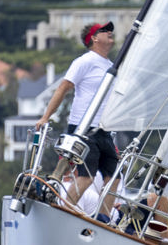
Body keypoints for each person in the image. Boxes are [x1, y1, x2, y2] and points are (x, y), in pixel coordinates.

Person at [35, 21, 118, 216]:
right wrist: (46, 117)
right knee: (86, 176)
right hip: (83, 127)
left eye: (110, 30)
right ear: (94, 38)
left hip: (103, 129)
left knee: (114, 177)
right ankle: (63, 213)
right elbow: (63, 88)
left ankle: (103, 220)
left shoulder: (110, 66)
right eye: (104, 30)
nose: (109, 32)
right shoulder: (84, 61)